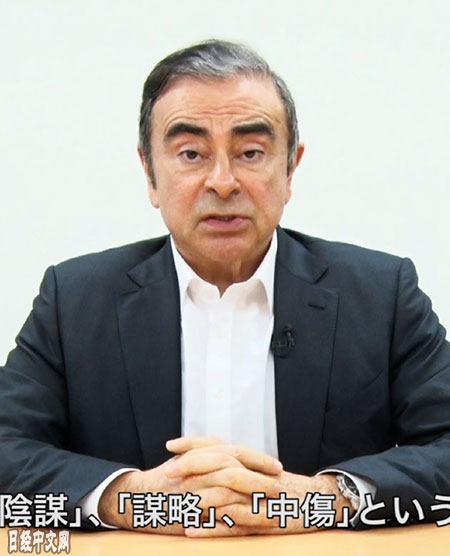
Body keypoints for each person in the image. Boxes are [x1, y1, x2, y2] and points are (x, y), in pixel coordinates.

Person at [1, 39, 450, 537]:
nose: (222, 181)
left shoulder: (381, 295)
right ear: (150, 173)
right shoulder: (74, 301)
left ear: (290, 169)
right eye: (191, 153)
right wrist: (127, 499)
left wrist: (326, 499)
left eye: (250, 152)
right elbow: (7, 447)